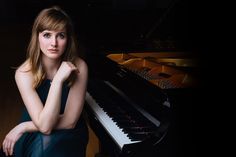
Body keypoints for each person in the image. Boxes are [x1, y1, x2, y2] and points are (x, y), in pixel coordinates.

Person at [1, 6, 88, 157]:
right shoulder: (24, 73)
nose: (54, 43)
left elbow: (70, 121)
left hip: (68, 132)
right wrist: (58, 81)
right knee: (42, 147)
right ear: (37, 37)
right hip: (38, 127)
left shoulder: (79, 66)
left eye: (60, 35)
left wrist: (23, 127)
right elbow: (45, 126)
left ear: (68, 39)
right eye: (47, 35)